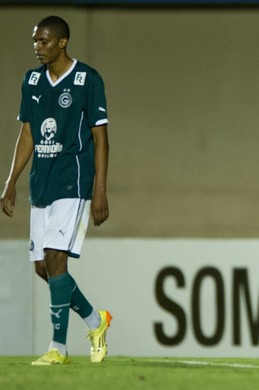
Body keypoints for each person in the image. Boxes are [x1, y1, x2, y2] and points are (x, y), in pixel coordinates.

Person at [1, 15, 112, 366]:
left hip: (73, 181)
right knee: (42, 268)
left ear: (62, 42)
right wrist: (10, 184)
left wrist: (100, 191)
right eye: (35, 41)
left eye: (44, 41)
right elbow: (28, 134)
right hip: (42, 184)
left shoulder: (86, 79)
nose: (38, 47)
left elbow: (100, 137)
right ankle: (96, 321)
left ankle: (57, 349)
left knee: (55, 259)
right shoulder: (31, 81)